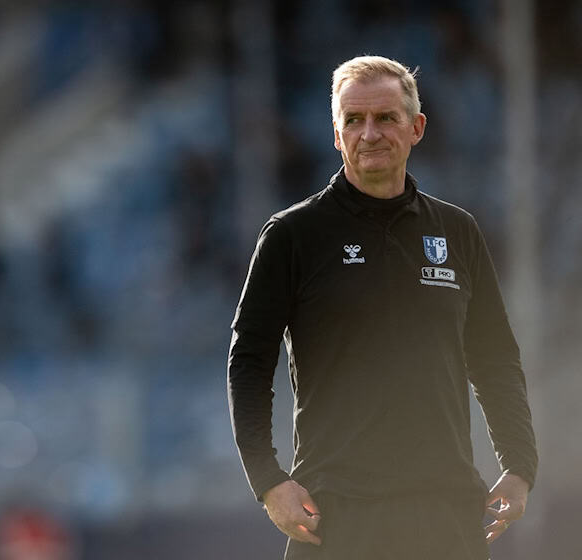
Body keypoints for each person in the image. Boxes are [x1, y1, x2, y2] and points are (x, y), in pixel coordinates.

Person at [227, 55, 537, 560]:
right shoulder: (292, 235)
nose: (369, 133)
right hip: (335, 515)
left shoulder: (456, 231)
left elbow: (495, 358)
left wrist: (520, 463)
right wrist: (268, 480)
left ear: (416, 128)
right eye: (353, 120)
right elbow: (249, 362)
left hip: (446, 510)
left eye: (385, 118)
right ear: (336, 133)